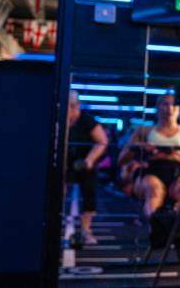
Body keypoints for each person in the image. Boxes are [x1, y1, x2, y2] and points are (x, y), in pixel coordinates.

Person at [119, 94, 180, 217]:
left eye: (174, 105)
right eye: (165, 104)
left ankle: (175, 229)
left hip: (178, 172)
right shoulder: (144, 131)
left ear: (179, 108)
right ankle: (155, 226)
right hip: (152, 171)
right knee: (154, 189)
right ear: (158, 107)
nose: (169, 109)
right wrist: (139, 147)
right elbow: (122, 159)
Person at [66, 90, 108, 245]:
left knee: (89, 193)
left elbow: (102, 142)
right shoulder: (59, 117)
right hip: (65, 160)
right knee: (58, 190)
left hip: (85, 161)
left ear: (77, 105)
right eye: (68, 106)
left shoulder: (87, 121)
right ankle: (56, 226)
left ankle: (86, 230)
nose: (70, 109)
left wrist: (90, 159)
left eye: (72, 106)